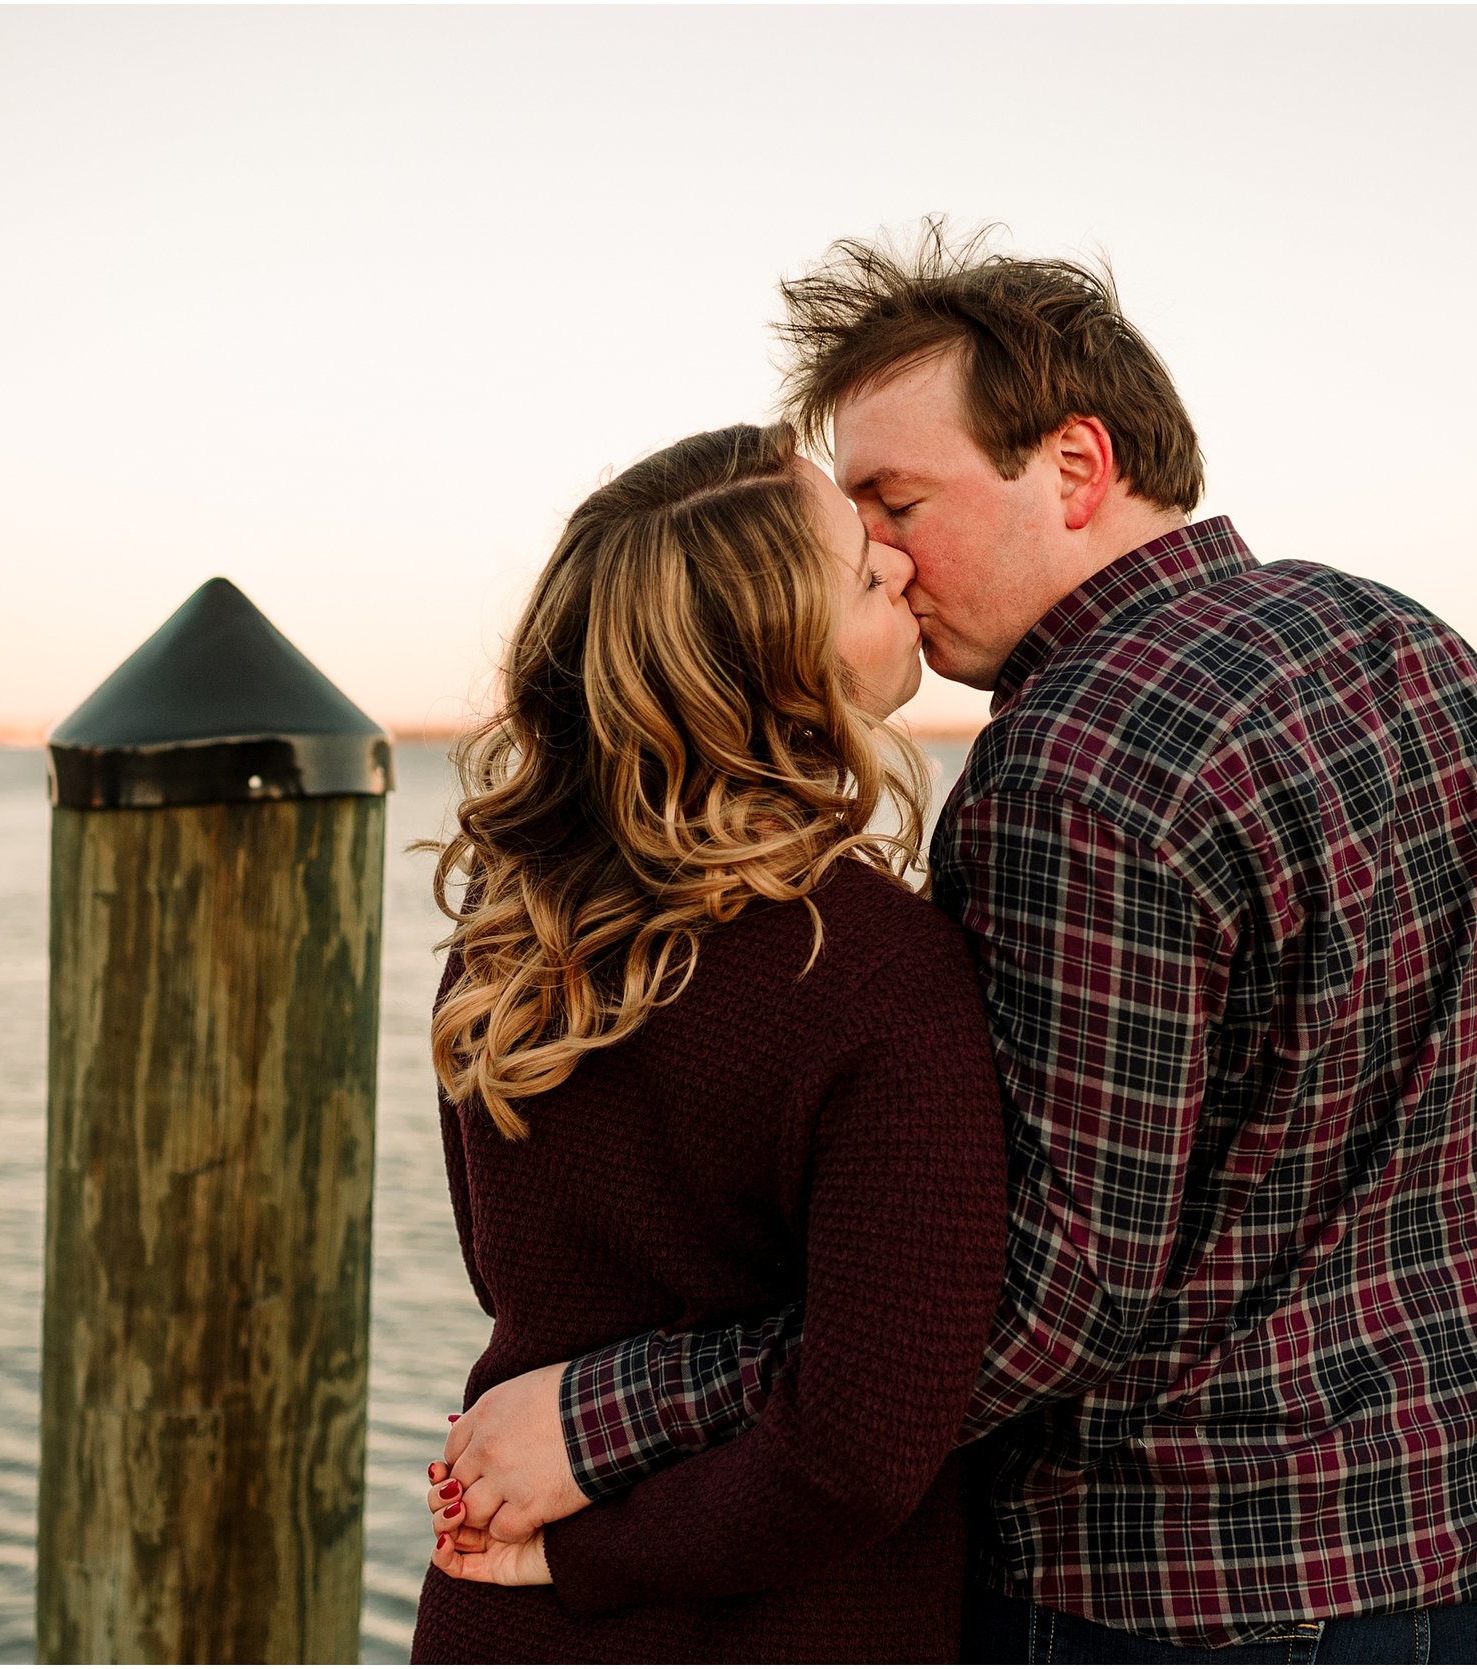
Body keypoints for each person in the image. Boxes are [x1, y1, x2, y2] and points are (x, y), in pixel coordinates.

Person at [432, 224, 1477, 1664]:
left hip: (1163, 1588)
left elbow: (1045, 1297)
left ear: (1077, 469)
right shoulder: (1426, 655)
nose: (881, 556)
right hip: (1471, 1557)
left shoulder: (1072, 760)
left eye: (898, 500)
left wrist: (609, 1417)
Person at [409, 420, 1009, 1662]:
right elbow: (856, 1454)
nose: (897, 563)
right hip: (767, 1624)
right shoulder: (879, 972)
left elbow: (507, 1274)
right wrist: (588, 1552)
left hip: (498, 1614)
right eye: (858, 571)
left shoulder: (510, 933)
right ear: (779, 669)